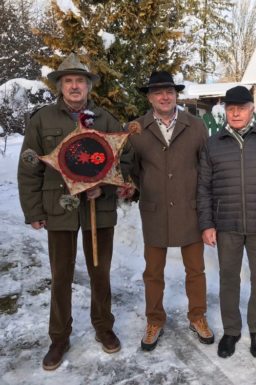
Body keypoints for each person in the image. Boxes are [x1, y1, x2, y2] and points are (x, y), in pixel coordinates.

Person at [18, 53, 129, 370]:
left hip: (98, 207)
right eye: (69, 81)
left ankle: (104, 327)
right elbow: (29, 169)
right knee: (61, 275)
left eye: (80, 80)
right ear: (60, 86)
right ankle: (59, 337)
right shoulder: (42, 120)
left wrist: (105, 186)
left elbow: (125, 160)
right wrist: (34, 210)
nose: (75, 86)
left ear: (89, 86)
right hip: (59, 207)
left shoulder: (106, 120)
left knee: (100, 271)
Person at [197, 86, 256, 359]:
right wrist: (207, 223)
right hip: (227, 224)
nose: (235, 112)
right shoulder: (214, 143)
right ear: (224, 110)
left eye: (241, 107)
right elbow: (203, 187)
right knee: (228, 279)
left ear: (252, 109)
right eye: (230, 107)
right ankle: (232, 330)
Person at [127, 71, 214, 351]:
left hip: (189, 210)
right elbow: (132, 171)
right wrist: (144, 189)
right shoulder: (136, 129)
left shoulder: (196, 126)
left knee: (196, 269)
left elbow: (206, 168)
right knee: (153, 272)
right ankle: (154, 320)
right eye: (158, 93)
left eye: (169, 92)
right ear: (150, 97)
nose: (164, 97)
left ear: (176, 95)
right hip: (154, 211)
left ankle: (197, 316)